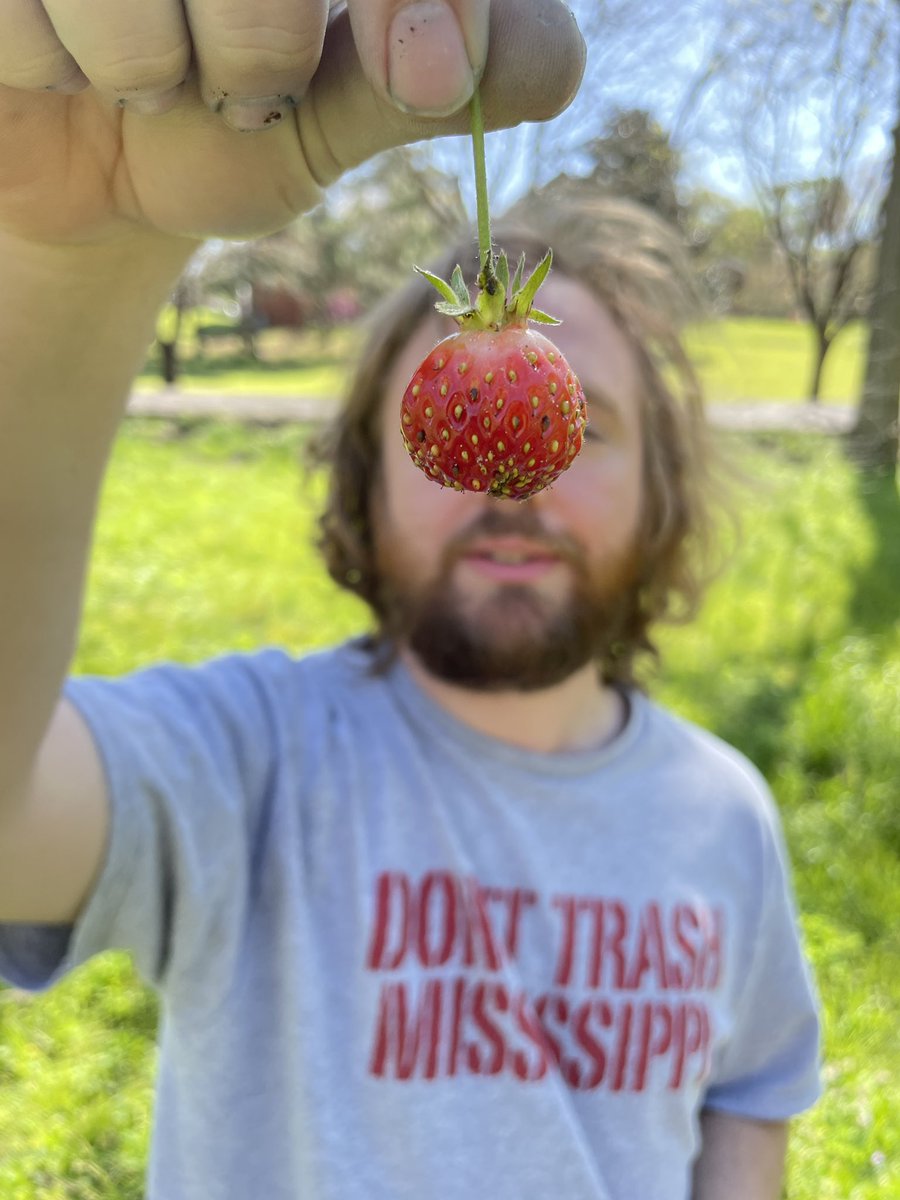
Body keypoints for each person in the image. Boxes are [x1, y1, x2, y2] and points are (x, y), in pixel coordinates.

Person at [0, 3, 820, 1198]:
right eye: (434, 439)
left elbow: (749, 1093)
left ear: (663, 494)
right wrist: (69, 267)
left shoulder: (726, 816)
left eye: (581, 426)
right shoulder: (249, 765)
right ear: (364, 488)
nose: (510, 493)